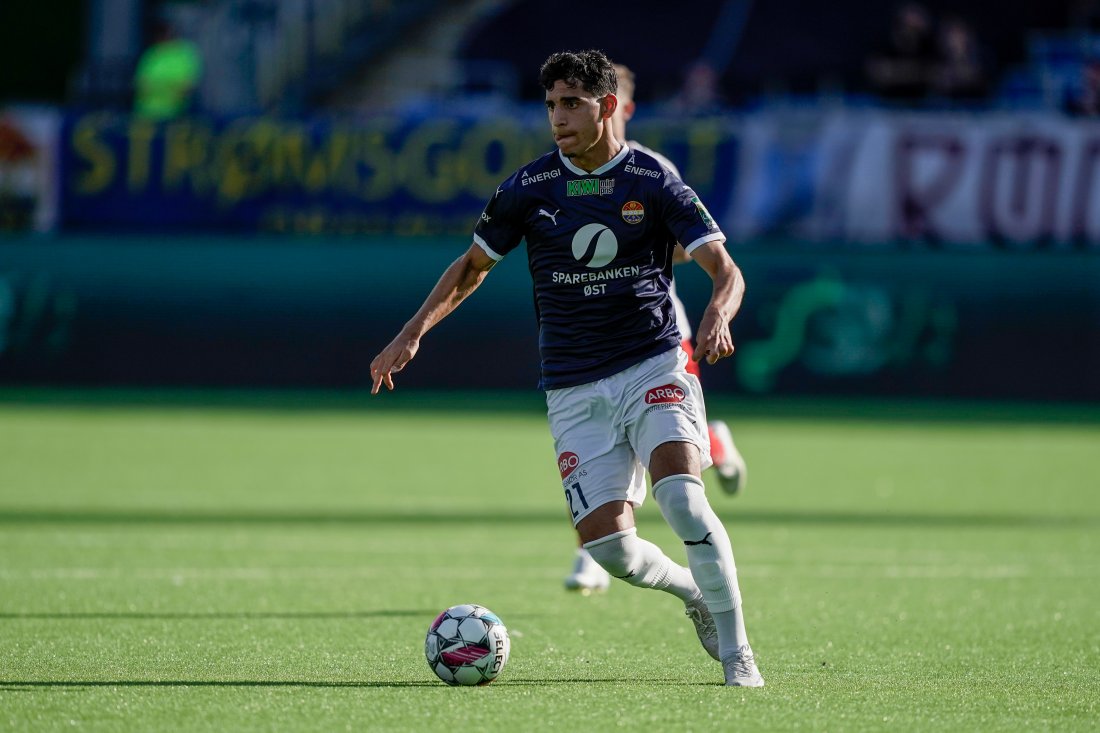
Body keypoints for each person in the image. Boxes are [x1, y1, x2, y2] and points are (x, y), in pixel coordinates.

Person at [370, 49, 764, 687]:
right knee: (612, 552)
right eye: (551, 104)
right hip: (574, 387)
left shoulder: (653, 180)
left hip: (653, 364)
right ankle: (694, 591)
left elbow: (726, 268)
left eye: (572, 103)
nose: (558, 117)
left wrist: (718, 314)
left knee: (684, 503)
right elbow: (471, 267)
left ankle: (738, 654)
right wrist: (411, 333)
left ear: (607, 106)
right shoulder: (528, 189)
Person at [563, 62, 747, 596]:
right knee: (601, 443)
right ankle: (598, 552)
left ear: (620, 106)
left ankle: (716, 443)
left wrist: (629, 251)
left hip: (656, 326)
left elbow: (695, 247)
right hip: (593, 334)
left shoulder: (651, 168)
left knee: (657, 441)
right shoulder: (563, 176)